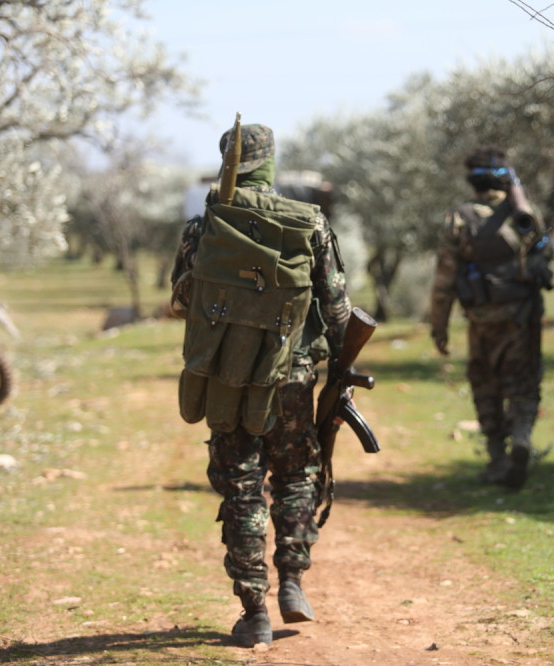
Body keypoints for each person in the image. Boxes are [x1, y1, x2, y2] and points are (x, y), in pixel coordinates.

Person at [171, 123, 351, 646]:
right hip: (291, 377)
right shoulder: (308, 223)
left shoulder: (203, 226)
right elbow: (337, 307)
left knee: (242, 486)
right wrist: (340, 370)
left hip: (227, 376)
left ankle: (254, 612)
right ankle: (293, 583)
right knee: (296, 474)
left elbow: (182, 303)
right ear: (270, 163)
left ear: (228, 162)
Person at [428, 146, 553, 490]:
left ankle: (498, 460)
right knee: (524, 382)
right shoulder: (524, 214)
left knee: (486, 384)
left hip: (481, 320)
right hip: (522, 318)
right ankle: (522, 437)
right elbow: (545, 256)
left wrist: (439, 327)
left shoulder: (459, 219)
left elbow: (444, 281)